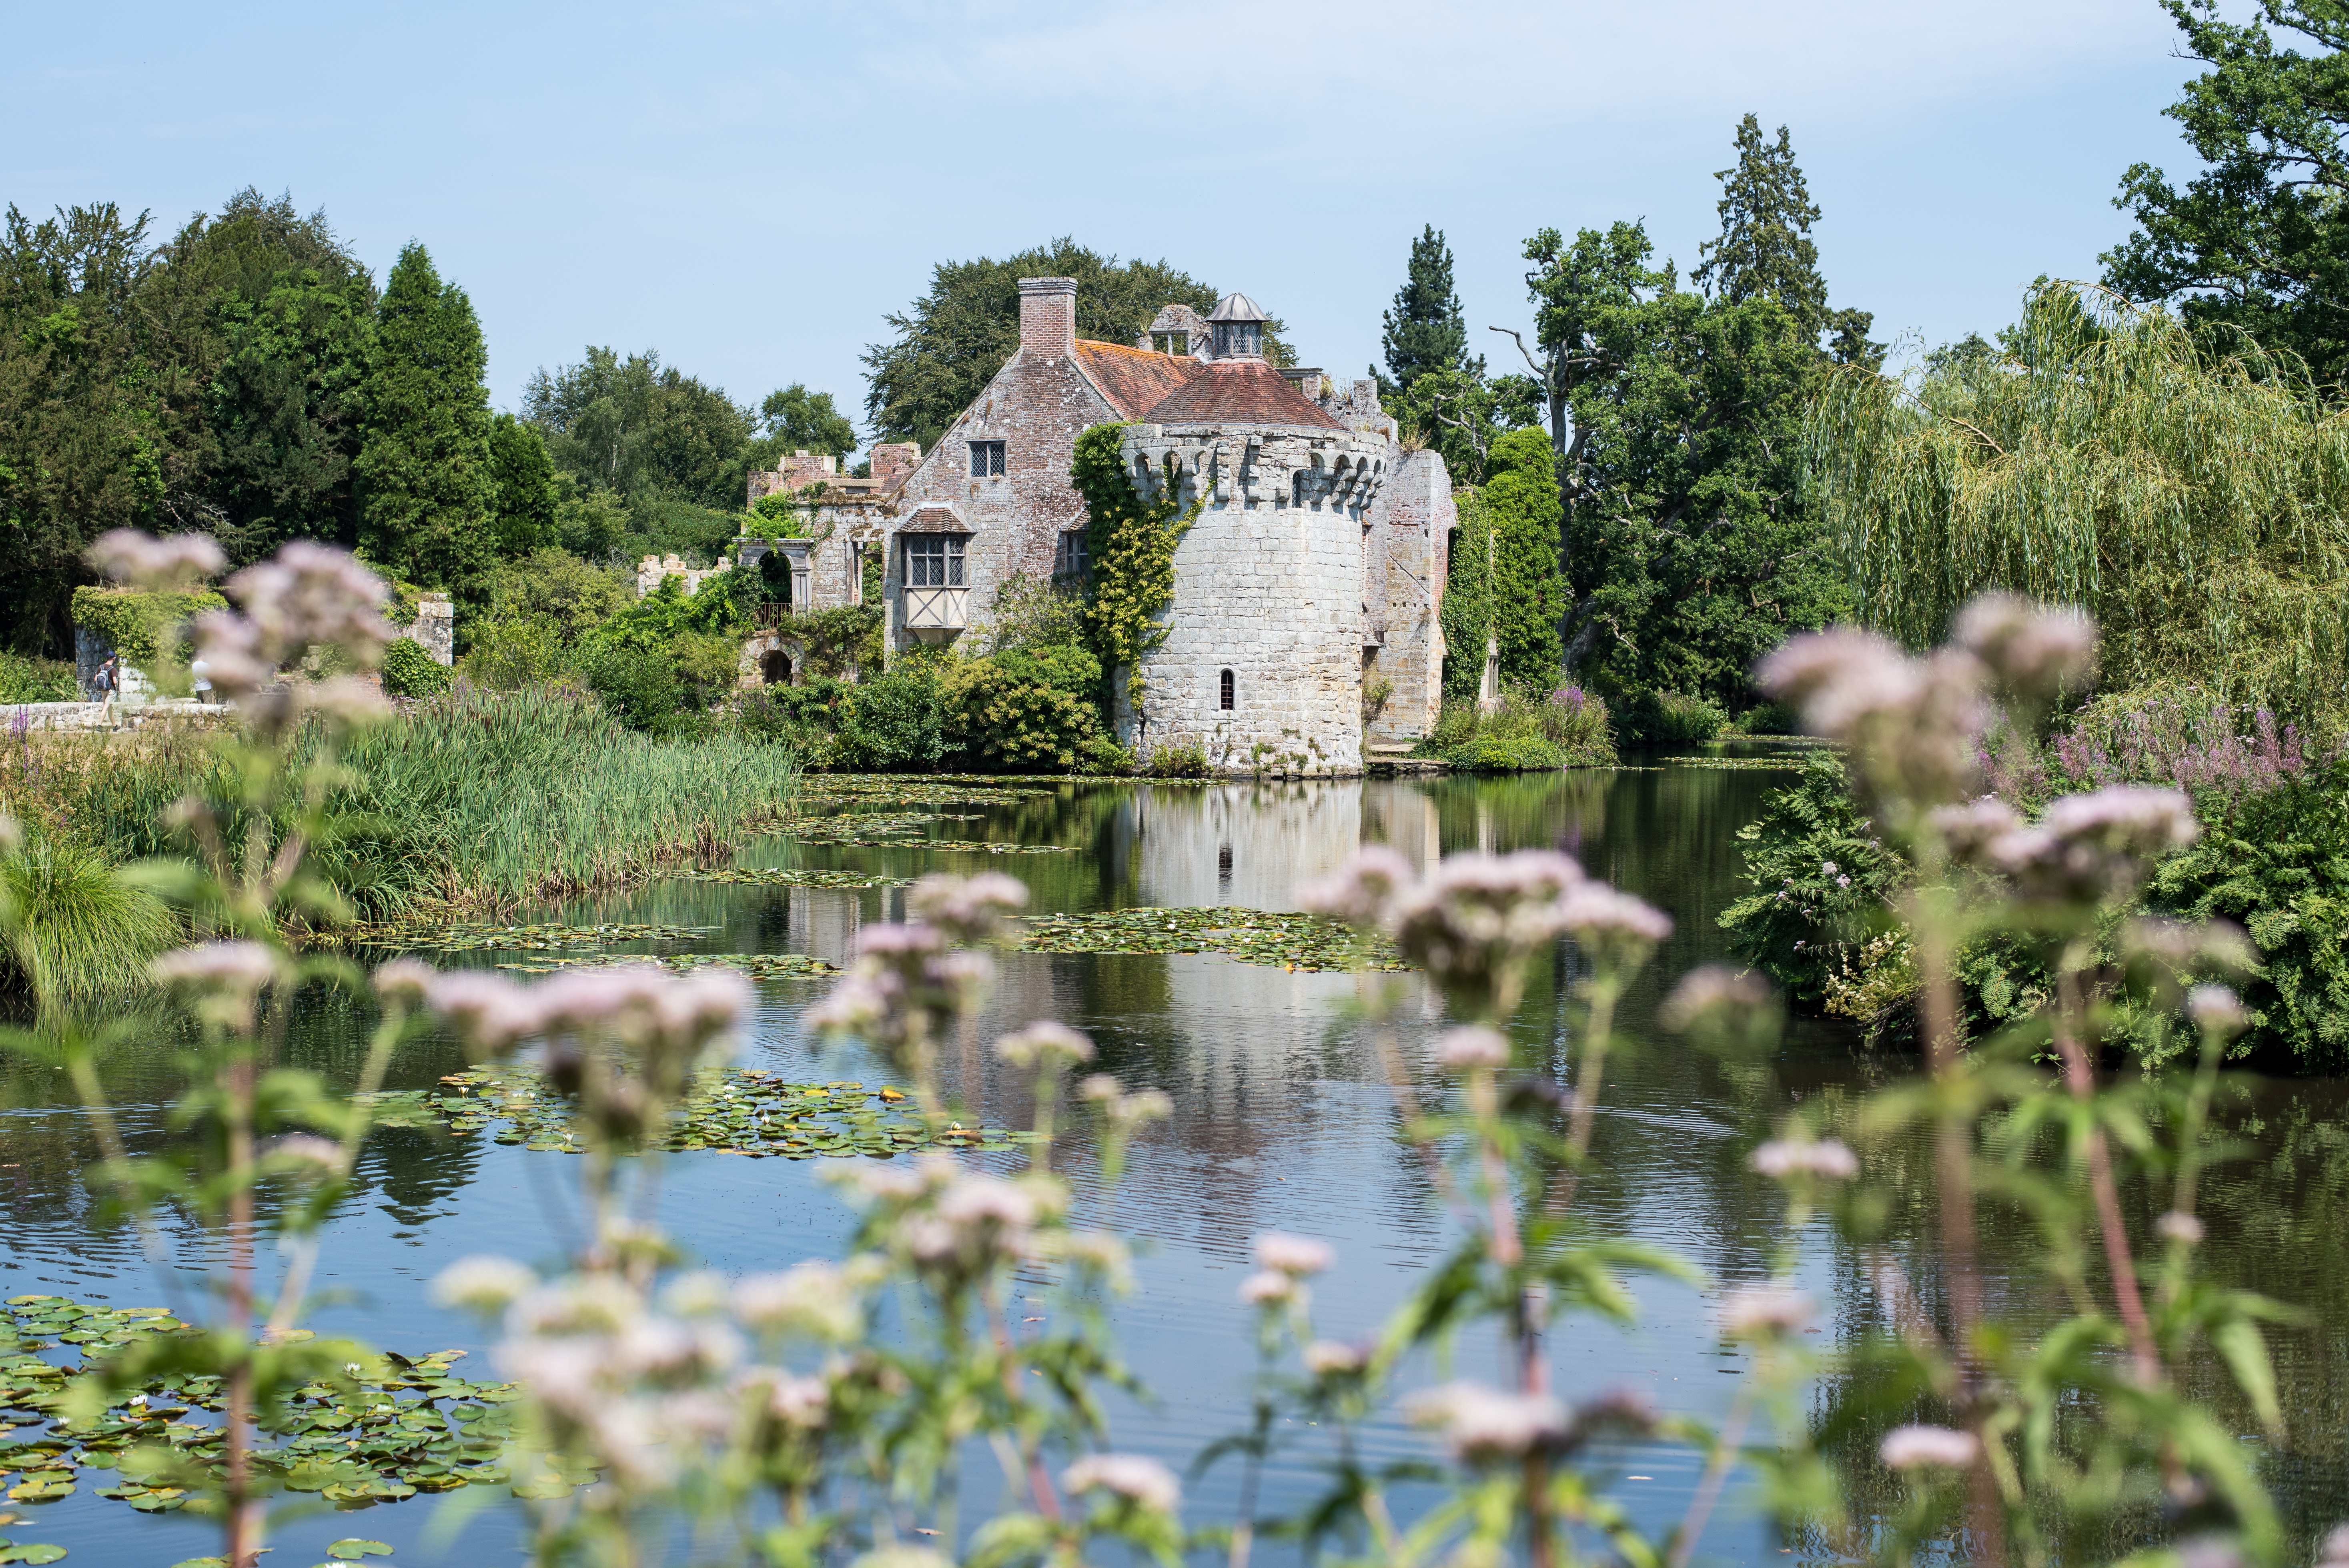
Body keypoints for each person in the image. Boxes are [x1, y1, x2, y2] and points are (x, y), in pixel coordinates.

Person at [92, 654, 117, 727]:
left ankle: (114, 726)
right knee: (106, 707)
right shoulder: (113, 669)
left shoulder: (101, 667)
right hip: (111, 691)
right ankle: (99, 725)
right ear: (114, 658)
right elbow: (115, 682)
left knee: (109, 709)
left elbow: (95, 679)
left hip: (103, 690)